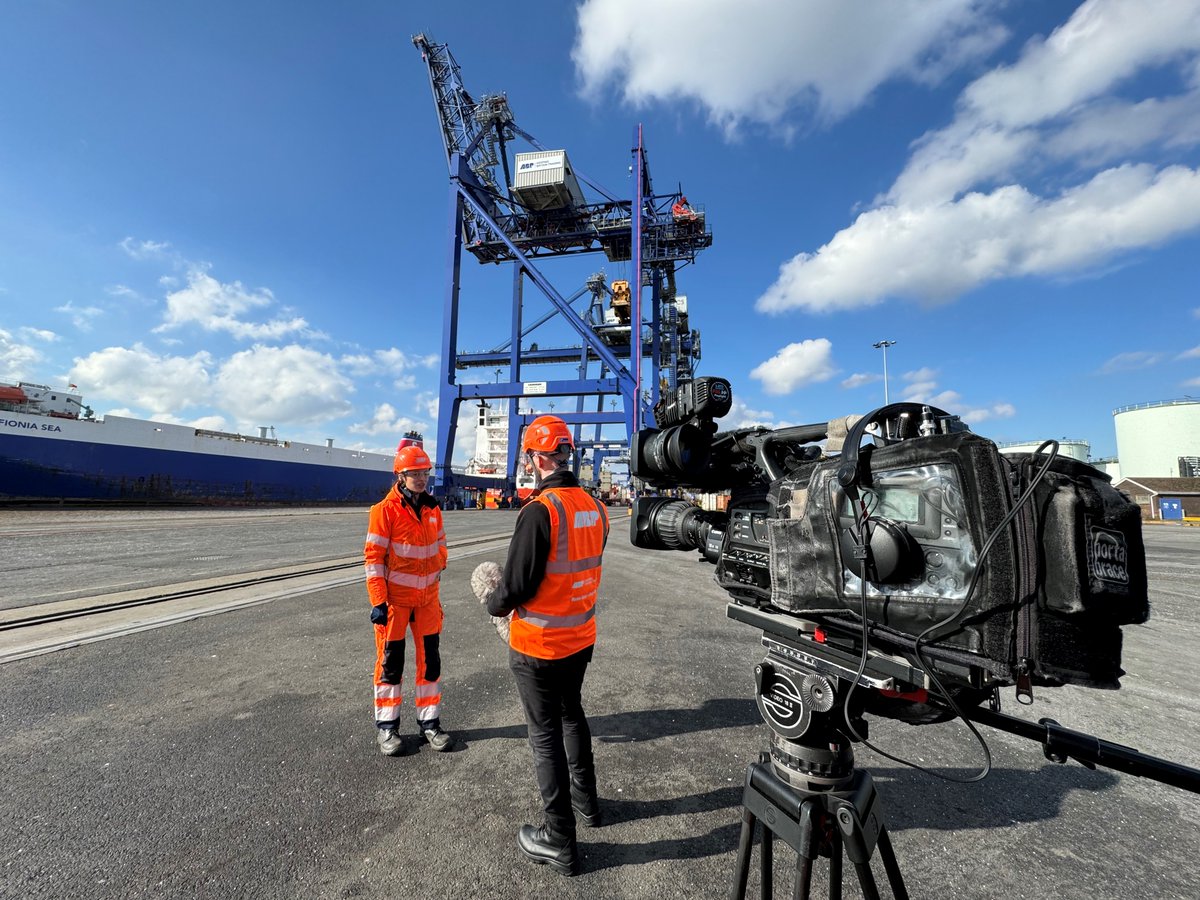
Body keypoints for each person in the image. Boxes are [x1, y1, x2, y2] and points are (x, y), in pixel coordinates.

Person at [485, 415, 610, 877]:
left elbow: (516, 585)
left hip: (538, 645)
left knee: (544, 738)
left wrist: (493, 604)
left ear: (536, 458)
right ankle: (589, 806)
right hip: (580, 638)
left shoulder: (540, 510)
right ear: (567, 454)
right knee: (571, 715)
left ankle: (559, 838)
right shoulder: (594, 508)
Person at [364, 443, 452, 755]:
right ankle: (387, 729)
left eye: (425, 472)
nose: (421, 478)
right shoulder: (384, 512)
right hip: (395, 605)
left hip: (427, 601)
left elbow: (441, 545)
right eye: (414, 473)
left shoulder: (433, 509)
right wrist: (378, 601)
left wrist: (439, 559)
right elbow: (373, 559)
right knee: (390, 665)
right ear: (400, 476)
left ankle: (430, 723)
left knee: (430, 664)